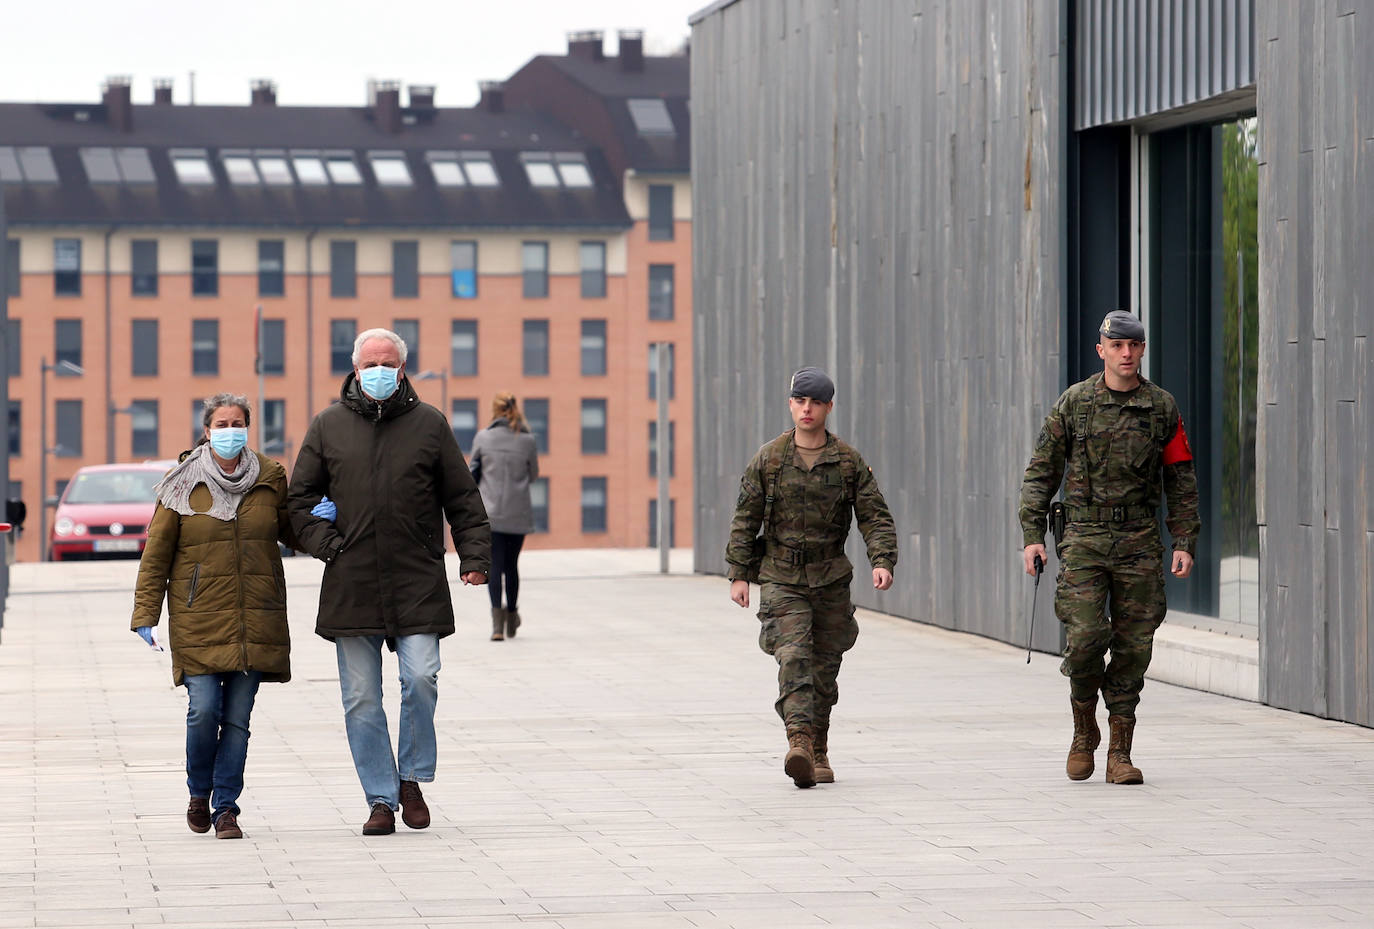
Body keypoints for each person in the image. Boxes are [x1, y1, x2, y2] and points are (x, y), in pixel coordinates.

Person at [288, 327, 490, 836]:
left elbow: (462, 497)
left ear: (402, 369)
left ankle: (412, 778)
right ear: (355, 370)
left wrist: (474, 556)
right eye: (369, 364)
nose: (379, 372)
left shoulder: (429, 424)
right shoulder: (327, 426)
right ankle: (380, 798)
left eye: (388, 363)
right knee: (361, 698)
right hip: (352, 582)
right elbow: (297, 502)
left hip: (416, 577)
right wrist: (326, 543)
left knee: (421, 678)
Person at [1019, 310, 1200, 785]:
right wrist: (1032, 537)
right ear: (1101, 350)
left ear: (1141, 351)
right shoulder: (1073, 404)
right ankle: (1084, 729)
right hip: (1083, 540)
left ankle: (1120, 751)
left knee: (1134, 645)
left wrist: (1183, 540)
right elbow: (1041, 473)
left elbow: (1180, 478)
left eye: (1133, 346)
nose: (1125, 353)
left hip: (1139, 541)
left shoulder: (1161, 407)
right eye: (1116, 345)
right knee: (1083, 640)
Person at [725, 367, 897, 788]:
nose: (807, 408)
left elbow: (874, 516)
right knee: (794, 657)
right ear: (790, 404)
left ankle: (818, 747)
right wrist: (739, 574)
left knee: (824, 668)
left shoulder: (848, 462)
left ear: (828, 408)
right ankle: (798, 741)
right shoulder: (769, 459)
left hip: (830, 578)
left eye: (816, 402)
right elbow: (745, 519)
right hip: (781, 577)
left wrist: (883, 560)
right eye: (800, 401)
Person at [131, 393, 293, 840]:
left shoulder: (270, 477)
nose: (229, 430)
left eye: (237, 422)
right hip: (197, 618)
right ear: (207, 431)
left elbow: (294, 531)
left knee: (238, 722)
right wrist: (146, 613)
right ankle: (198, 792)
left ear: (248, 427)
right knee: (204, 711)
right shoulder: (180, 482)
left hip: (254, 618)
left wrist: (330, 522)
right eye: (221, 424)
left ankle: (226, 809)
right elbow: (156, 555)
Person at [467, 392, 540, 642]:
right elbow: (534, 474)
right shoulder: (527, 440)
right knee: (512, 566)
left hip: (491, 514)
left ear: (494, 411)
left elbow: (472, 471)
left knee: (495, 566)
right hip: (517, 513)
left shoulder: (483, 437)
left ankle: (497, 625)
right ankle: (512, 615)